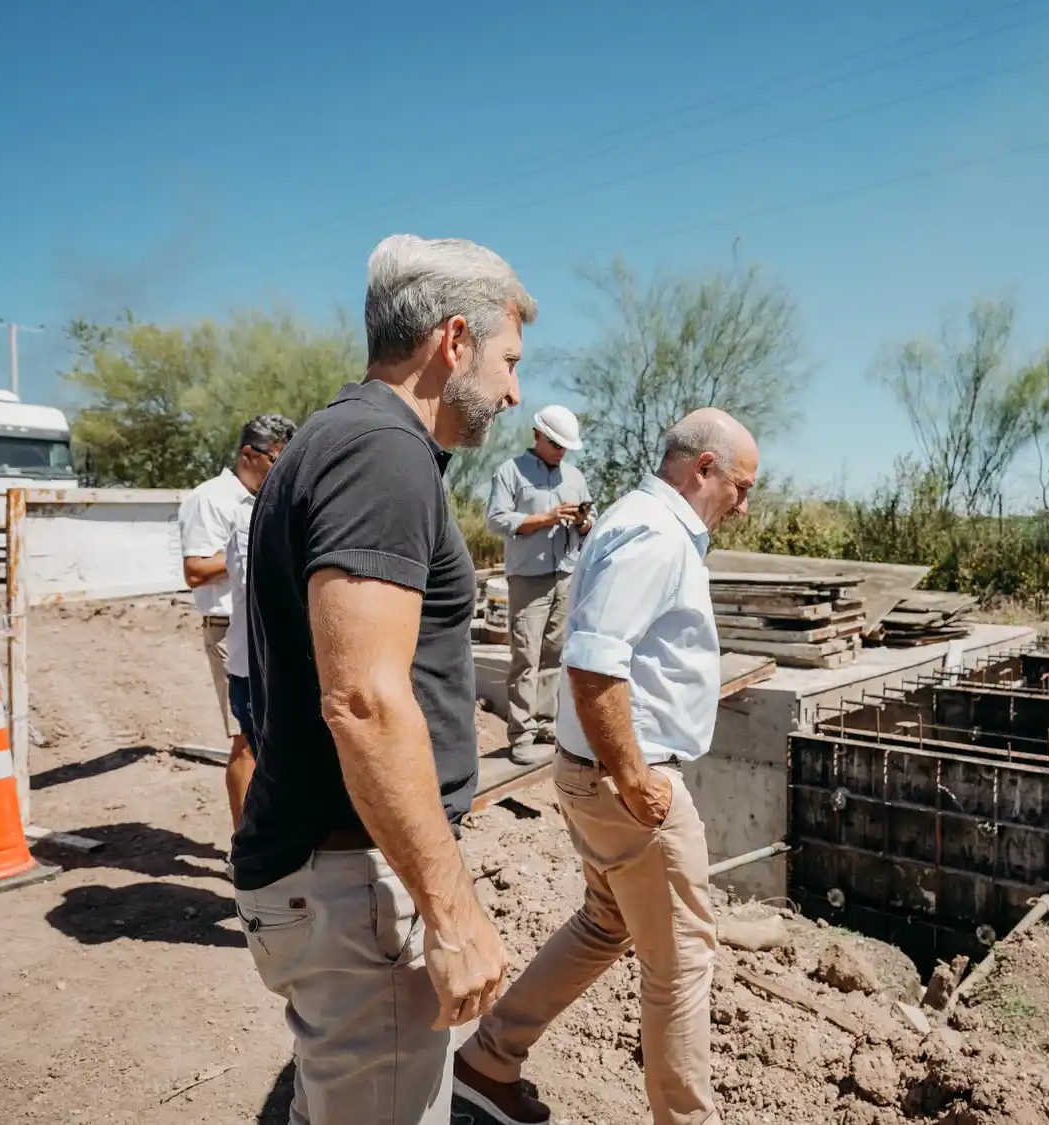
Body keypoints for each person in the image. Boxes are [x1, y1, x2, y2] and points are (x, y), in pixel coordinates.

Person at [230, 234, 536, 1125]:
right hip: (351, 879)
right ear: (453, 341)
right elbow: (362, 699)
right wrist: (451, 912)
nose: (514, 390)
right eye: (509, 360)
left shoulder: (343, 439)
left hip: (335, 872)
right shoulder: (381, 453)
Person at [457, 407, 758, 1125]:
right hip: (628, 775)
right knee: (682, 962)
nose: (743, 504)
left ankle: (488, 1059)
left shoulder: (637, 520)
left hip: (601, 769)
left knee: (605, 921)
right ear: (703, 468)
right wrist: (634, 777)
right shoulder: (655, 533)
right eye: (739, 486)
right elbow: (593, 663)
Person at [177, 413, 295, 829]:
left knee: (267, 735)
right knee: (245, 738)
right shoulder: (211, 500)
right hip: (230, 629)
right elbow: (194, 569)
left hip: (258, 625)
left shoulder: (262, 500)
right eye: (276, 460)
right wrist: (250, 554)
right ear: (250, 454)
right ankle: (245, 842)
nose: (280, 470)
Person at [485, 405, 593, 765]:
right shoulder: (510, 472)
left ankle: (547, 725)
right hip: (528, 577)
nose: (561, 451)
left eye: (566, 447)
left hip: (566, 574)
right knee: (525, 657)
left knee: (554, 655)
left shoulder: (575, 477)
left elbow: (589, 524)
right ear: (537, 435)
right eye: (556, 444)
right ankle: (521, 735)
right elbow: (497, 520)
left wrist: (582, 522)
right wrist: (542, 518)